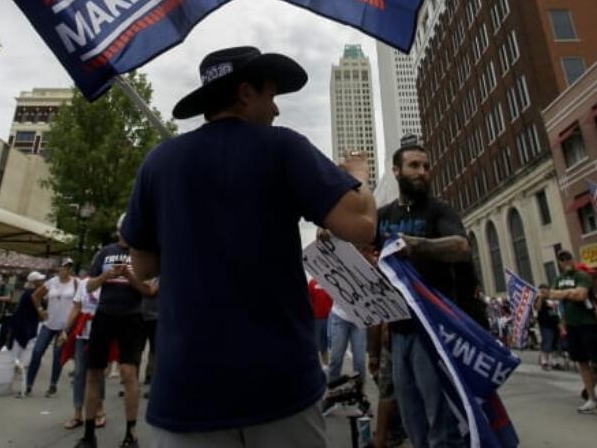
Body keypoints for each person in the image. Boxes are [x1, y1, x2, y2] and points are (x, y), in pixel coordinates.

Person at [121, 46, 377, 448]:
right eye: (271, 96)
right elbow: (361, 225)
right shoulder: (283, 147)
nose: (276, 110)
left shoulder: (158, 163)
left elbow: (143, 266)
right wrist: (360, 176)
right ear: (245, 93)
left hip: (186, 391)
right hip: (279, 387)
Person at [376, 141, 473, 448]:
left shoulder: (439, 210)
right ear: (396, 171)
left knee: (439, 418)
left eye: (426, 166)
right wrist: (329, 233)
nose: (422, 172)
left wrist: (418, 244)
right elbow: (357, 243)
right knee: (410, 416)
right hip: (397, 331)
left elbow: (461, 247)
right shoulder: (383, 216)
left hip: (433, 329)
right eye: (414, 166)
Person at [77, 220, 158, 448]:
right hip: (104, 315)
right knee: (94, 373)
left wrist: (130, 276)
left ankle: (130, 434)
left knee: (128, 371)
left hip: (132, 317)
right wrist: (106, 276)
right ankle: (88, 434)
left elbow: (149, 290)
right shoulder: (105, 252)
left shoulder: (142, 255)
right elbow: (89, 286)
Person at [542, 250, 597, 419]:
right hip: (572, 326)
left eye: (568, 257)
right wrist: (570, 293)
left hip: (590, 324)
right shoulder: (559, 278)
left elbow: (582, 295)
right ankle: (592, 398)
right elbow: (552, 295)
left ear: (573, 258)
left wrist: (565, 293)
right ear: (559, 262)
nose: (566, 261)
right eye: (562, 259)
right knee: (582, 363)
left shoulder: (582, 275)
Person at [26, 257, 82, 397]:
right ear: (59, 268)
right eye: (64, 267)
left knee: (58, 356)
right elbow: (35, 296)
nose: (67, 269)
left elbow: (80, 303)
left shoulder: (76, 283)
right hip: (49, 324)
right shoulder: (52, 282)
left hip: (64, 327)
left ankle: (53, 385)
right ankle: (28, 384)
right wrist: (40, 310)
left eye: (69, 267)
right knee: (37, 352)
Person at [65, 279, 107, 431]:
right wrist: (65, 329)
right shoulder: (84, 283)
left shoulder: (109, 282)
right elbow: (76, 307)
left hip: (101, 332)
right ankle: (77, 413)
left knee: (97, 372)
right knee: (79, 373)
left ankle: (99, 409)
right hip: (82, 333)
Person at [324, 302, 368, 409]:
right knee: (336, 358)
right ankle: (331, 394)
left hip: (360, 318)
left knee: (360, 360)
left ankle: (360, 394)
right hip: (340, 316)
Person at [8, 271, 46, 377]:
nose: (43, 282)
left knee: (21, 344)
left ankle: (17, 365)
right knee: (24, 344)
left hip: (25, 322)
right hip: (25, 323)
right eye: (40, 280)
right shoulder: (32, 294)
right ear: (35, 282)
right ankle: (19, 365)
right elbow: (41, 307)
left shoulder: (29, 292)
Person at [535, 284, 562, 370]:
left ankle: (554, 361)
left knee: (555, 342)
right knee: (547, 341)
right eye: (542, 290)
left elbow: (557, 310)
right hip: (545, 324)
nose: (544, 292)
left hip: (555, 323)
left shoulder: (552, 299)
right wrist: (540, 297)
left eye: (545, 290)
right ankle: (544, 361)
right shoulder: (539, 299)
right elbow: (538, 308)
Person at [308, 275, 333, 367]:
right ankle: (325, 364)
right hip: (317, 319)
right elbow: (309, 299)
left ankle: (332, 363)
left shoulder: (330, 282)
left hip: (331, 318)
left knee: (332, 342)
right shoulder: (312, 283)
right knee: (321, 344)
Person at [140, 277, 159, 392]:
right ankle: (132, 378)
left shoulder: (161, 278)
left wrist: (140, 284)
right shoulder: (143, 277)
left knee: (154, 349)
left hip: (156, 317)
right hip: (141, 315)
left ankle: (150, 374)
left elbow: (152, 291)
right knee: (137, 348)